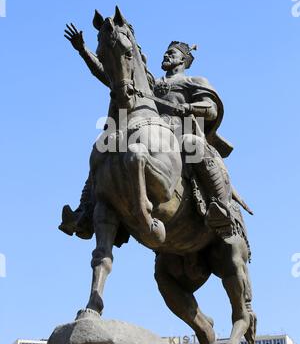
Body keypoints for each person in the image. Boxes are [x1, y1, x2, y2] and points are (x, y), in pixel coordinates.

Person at [59, 24, 248, 240]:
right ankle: (85, 212)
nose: (167, 55)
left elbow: (211, 109)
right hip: (150, 131)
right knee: (107, 147)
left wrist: (188, 107)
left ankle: (219, 206)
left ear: (183, 60)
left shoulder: (193, 81)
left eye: (172, 53)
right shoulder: (151, 83)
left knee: (192, 143)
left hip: (180, 130)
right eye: (166, 52)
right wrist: (83, 50)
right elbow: (109, 75)